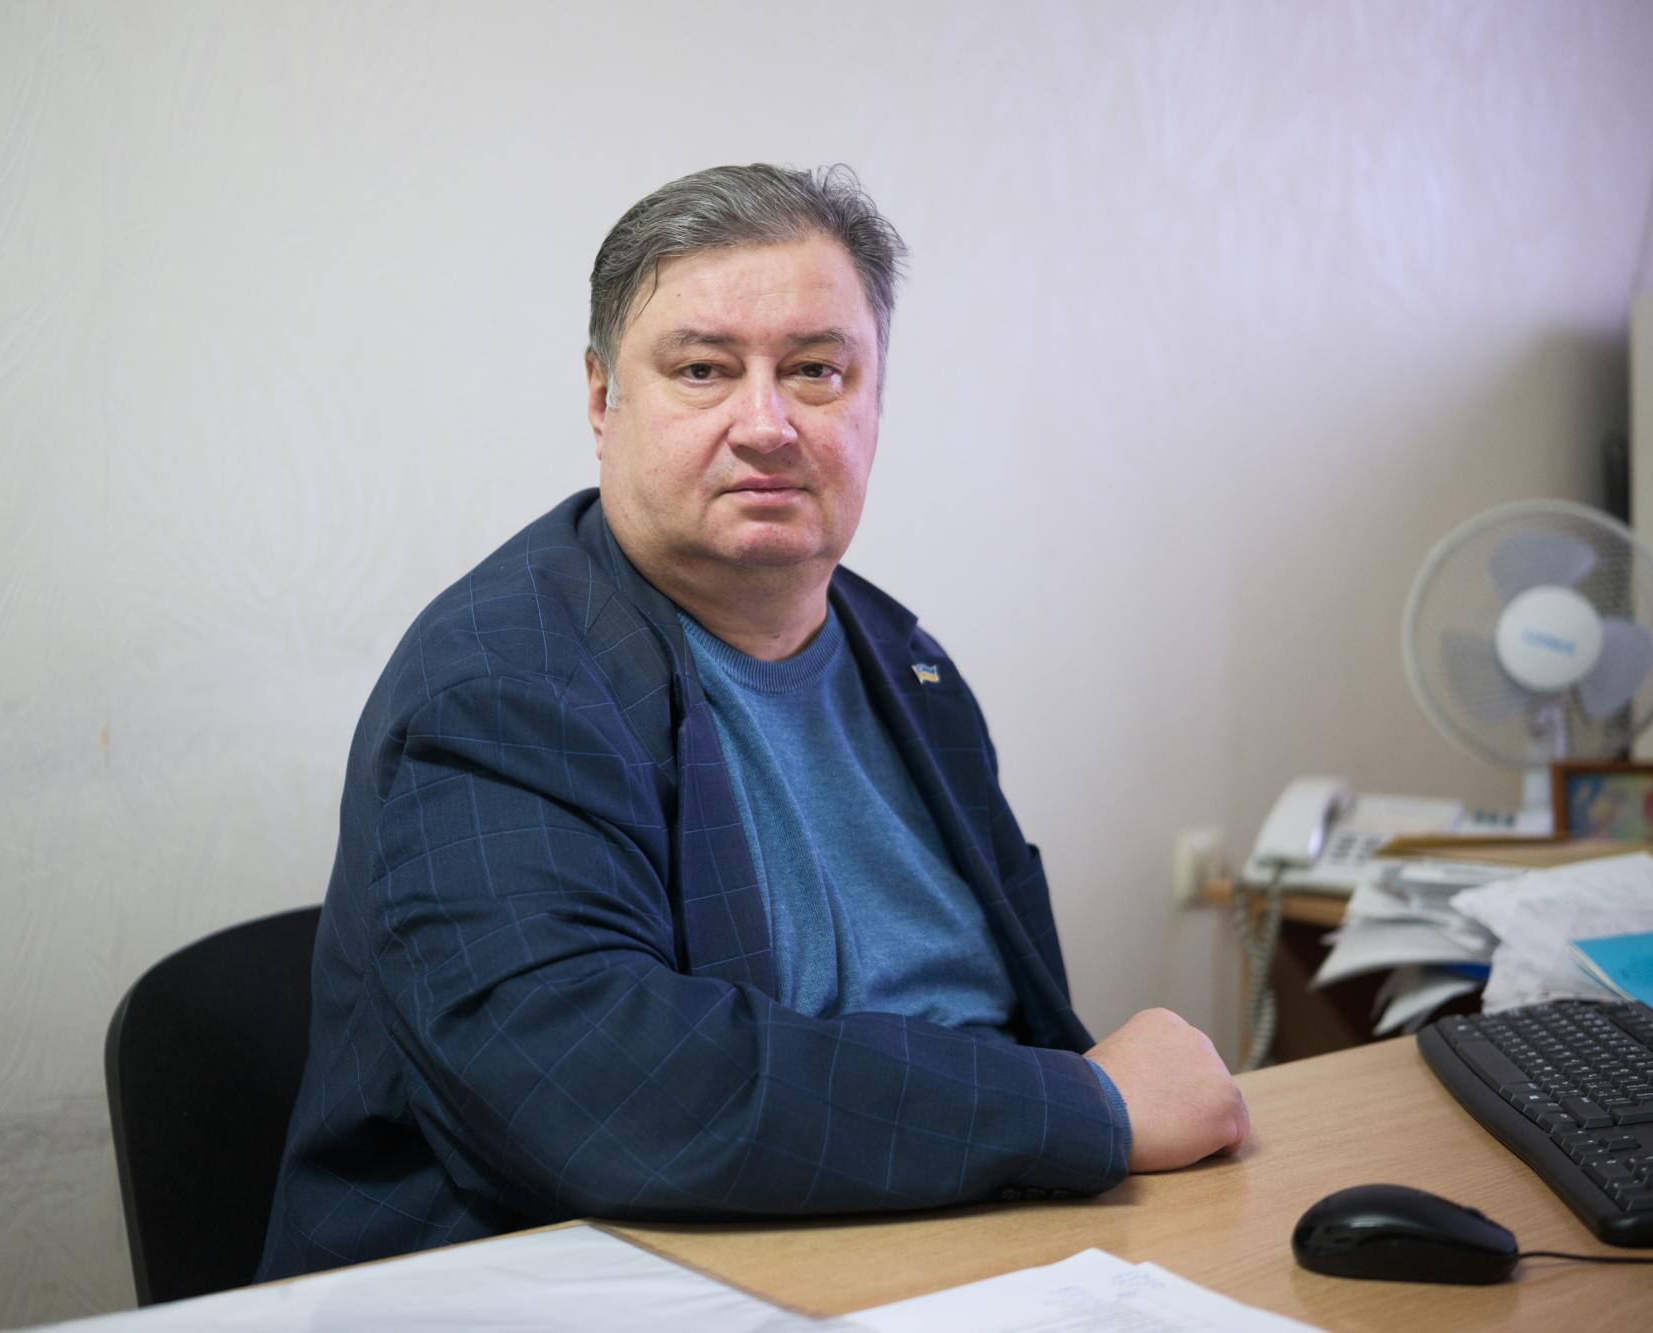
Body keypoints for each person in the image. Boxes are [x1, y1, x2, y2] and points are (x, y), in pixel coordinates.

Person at [256, 164, 1247, 1280]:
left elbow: (1003, 1014)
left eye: (816, 371)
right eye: (702, 370)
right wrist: (1084, 1107)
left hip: (957, 1246)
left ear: (875, 403)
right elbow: (610, 1092)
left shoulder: (909, 664)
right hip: (584, 1287)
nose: (766, 424)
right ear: (602, 400)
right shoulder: (498, 682)